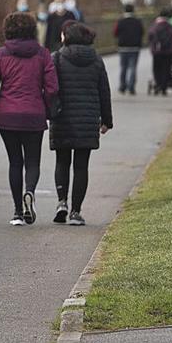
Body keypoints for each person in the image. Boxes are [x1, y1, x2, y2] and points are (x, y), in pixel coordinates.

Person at [0, 12, 58, 226]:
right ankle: (30, 191)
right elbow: (52, 87)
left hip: (7, 115)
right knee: (32, 161)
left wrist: (0, 103)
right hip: (34, 114)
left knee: (15, 162)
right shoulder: (43, 54)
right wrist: (43, 104)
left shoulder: (0, 55)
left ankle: (17, 211)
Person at [49, 22, 112, 226]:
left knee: (62, 162)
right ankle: (76, 212)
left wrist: (50, 111)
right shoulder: (96, 59)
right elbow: (104, 91)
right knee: (81, 166)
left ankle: (61, 203)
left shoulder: (57, 58)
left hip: (63, 118)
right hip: (87, 119)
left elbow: (50, 89)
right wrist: (107, 121)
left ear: (65, 37)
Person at [112, 4, 143, 95]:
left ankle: (122, 86)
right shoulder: (137, 21)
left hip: (123, 47)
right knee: (133, 67)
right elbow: (142, 32)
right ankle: (131, 87)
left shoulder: (121, 21)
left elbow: (115, 33)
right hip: (134, 47)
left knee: (123, 67)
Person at [148, 13, 172, 95]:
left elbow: (150, 37)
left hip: (157, 52)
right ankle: (164, 86)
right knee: (167, 68)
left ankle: (158, 84)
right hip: (169, 52)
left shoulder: (154, 27)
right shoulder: (170, 27)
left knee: (157, 68)